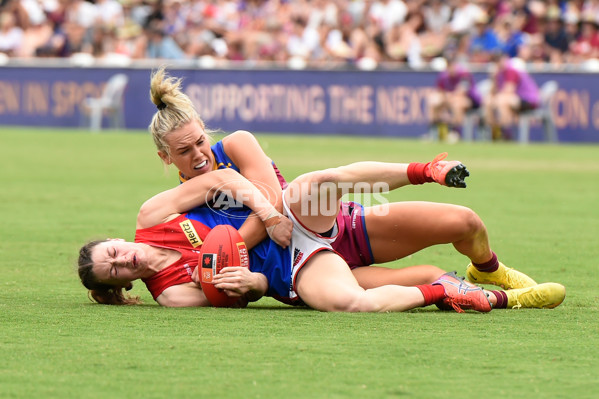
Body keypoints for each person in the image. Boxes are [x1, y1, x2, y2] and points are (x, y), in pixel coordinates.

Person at [147, 67, 537, 293]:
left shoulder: (236, 145)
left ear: (206, 132)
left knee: (465, 223)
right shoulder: (180, 200)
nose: (198, 155)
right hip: (302, 270)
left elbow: (276, 205)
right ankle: (488, 297)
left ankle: (489, 269)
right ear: (165, 157)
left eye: (199, 141)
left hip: (334, 227)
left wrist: (219, 256)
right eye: (184, 151)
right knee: (418, 285)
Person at [77, 158, 566, 312]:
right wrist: (255, 287)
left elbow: (227, 179)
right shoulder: (171, 297)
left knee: (464, 222)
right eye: (116, 271)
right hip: (294, 270)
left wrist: (269, 216)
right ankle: (467, 292)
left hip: (296, 220)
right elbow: (237, 297)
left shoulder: (153, 213)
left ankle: (427, 173)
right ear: (120, 286)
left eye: (114, 252)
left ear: (117, 238)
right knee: (353, 303)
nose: (124, 261)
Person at [483, 53, 540, 140]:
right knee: (488, 101)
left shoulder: (511, 70)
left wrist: (495, 99)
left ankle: (507, 134)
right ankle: (494, 132)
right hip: (514, 100)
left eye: (499, 60)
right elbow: (493, 93)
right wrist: (493, 78)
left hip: (528, 100)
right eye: (496, 61)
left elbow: (508, 91)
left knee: (502, 101)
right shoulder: (499, 73)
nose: (499, 63)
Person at [428, 54, 482, 141]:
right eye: (448, 65)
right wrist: (445, 98)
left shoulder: (464, 73)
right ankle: (432, 133)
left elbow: (462, 91)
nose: (450, 68)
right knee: (433, 101)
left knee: (457, 103)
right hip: (450, 99)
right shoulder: (443, 75)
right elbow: (439, 91)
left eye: (452, 64)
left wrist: (449, 97)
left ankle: (456, 133)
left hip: (471, 100)